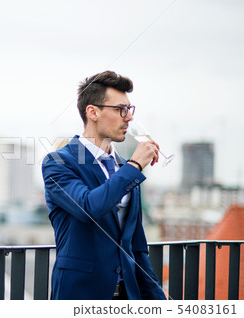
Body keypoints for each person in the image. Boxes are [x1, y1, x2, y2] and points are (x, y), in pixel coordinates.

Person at [42, 70, 166, 300]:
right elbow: (88, 207)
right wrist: (136, 165)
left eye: (129, 109)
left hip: (128, 296)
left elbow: (136, 245)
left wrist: (157, 298)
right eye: (121, 109)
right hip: (80, 294)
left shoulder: (124, 167)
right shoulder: (58, 163)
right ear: (93, 112)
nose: (128, 117)